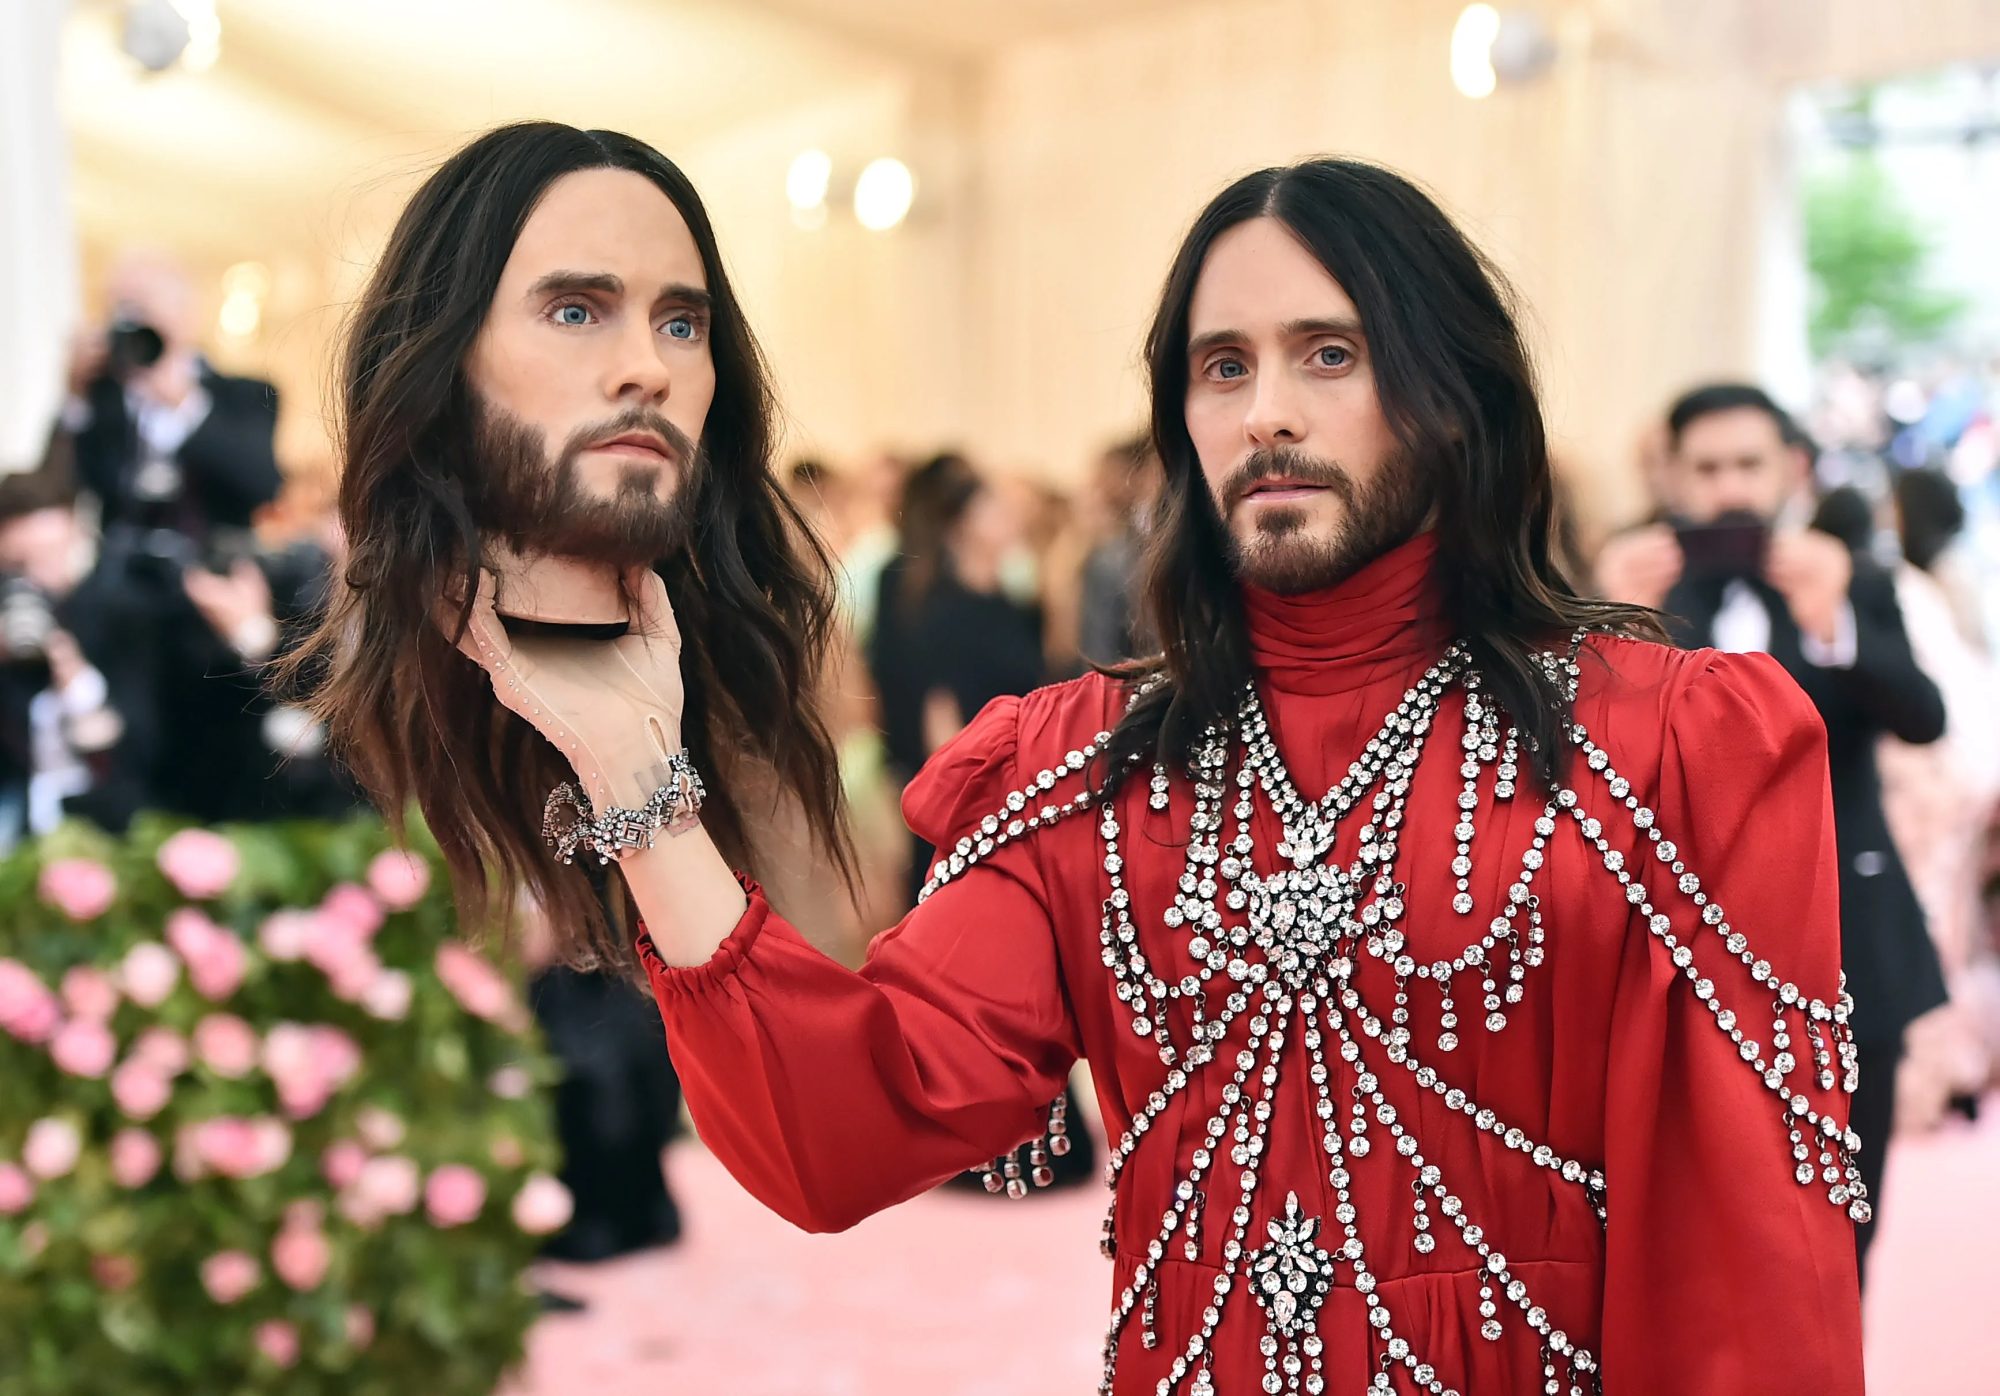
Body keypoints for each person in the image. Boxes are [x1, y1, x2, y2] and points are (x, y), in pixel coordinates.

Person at [447, 159, 1865, 1392]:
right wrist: (638, 771)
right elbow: (842, 1130)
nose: (1265, 414)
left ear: (1453, 394)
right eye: (1223, 365)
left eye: (1332, 353)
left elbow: (1746, 1267)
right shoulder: (1085, 773)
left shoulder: (1667, 745)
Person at [286, 122, 861, 1277]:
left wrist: (643, 780)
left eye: (682, 321)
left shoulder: (755, 662)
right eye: (575, 309)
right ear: (442, 358)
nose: (645, 364)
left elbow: (825, 1126)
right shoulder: (333, 687)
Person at [1594, 384, 1947, 1280]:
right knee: (1682, 1240)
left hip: (1848, 939)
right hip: (1675, 950)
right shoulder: (1628, 589)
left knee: (1837, 1227)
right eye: (1706, 469)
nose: (1729, 491)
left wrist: (1834, 623)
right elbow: (1584, 759)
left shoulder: (1854, 578)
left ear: (1792, 469)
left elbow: (1923, 716)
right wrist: (1604, 623)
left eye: (1748, 464)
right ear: (1671, 478)